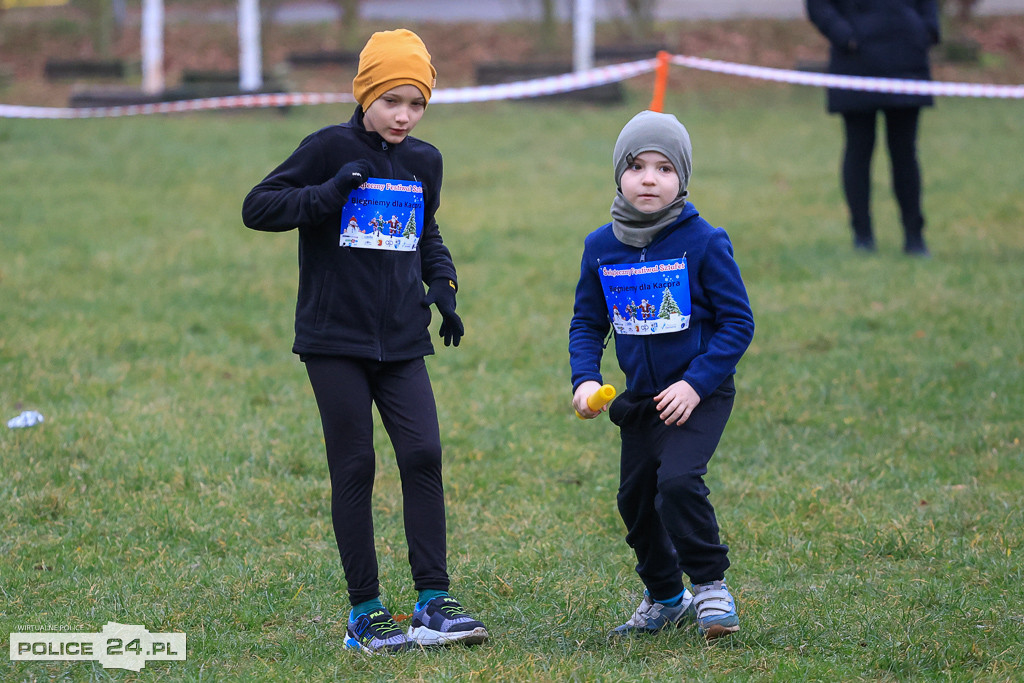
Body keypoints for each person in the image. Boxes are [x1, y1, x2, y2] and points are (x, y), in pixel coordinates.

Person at [241, 28, 488, 655]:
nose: (404, 116)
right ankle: (366, 613)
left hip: (403, 339)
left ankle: (433, 601)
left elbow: (426, 231)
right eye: (392, 100)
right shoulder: (328, 147)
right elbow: (258, 206)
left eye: (417, 103)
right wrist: (328, 193)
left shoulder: (424, 161)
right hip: (334, 340)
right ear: (365, 95)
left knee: (424, 454)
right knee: (355, 465)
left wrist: (445, 286)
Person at [569, 111, 755, 641]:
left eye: (664, 168)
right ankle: (667, 597)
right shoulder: (600, 247)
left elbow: (739, 322)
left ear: (682, 179)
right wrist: (584, 379)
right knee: (634, 500)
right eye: (636, 167)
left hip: (700, 391)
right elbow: (587, 321)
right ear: (618, 175)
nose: (649, 178)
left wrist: (697, 383)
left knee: (676, 483)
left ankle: (711, 586)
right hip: (643, 399)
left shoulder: (704, 241)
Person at [807, 0, 941, 255]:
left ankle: (915, 237)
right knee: (858, 150)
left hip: (907, 60)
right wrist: (845, 37)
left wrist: (927, 30)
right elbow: (819, 5)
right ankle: (863, 237)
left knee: (905, 153)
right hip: (855, 62)